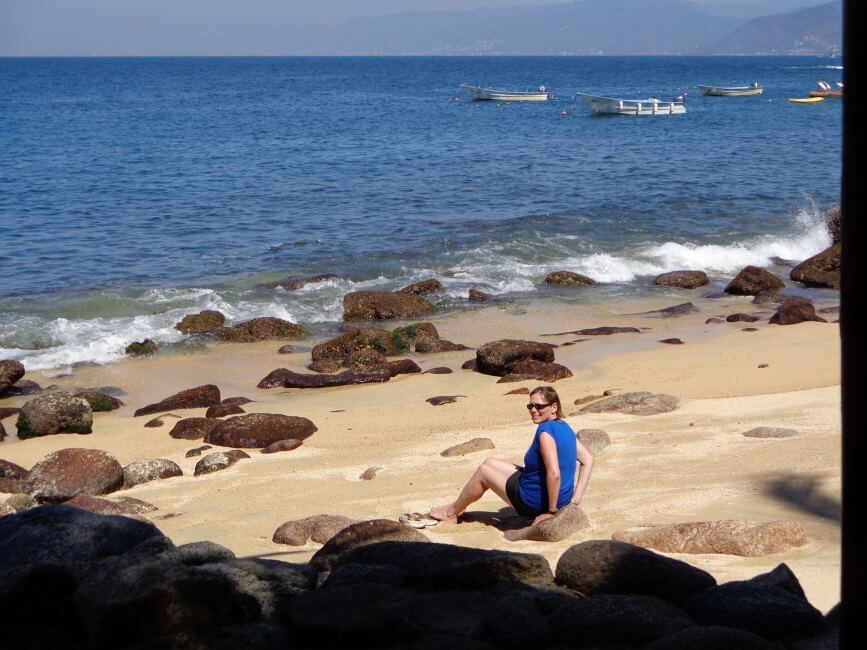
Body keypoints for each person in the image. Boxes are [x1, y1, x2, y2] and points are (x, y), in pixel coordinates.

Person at [429, 386, 594, 526]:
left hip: (534, 502)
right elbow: (587, 459)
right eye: (530, 406)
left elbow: (554, 473)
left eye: (539, 406)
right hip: (561, 498)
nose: (534, 410)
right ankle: (459, 505)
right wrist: (575, 498)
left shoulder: (545, 433)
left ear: (554, 407)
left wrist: (551, 511)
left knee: (484, 473)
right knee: (488, 462)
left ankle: (451, 513)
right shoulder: (564, 426)